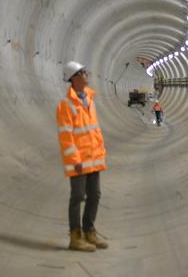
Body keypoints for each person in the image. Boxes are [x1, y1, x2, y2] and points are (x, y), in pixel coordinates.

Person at [57, 61, 109, 252]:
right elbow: (66, 135)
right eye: (83, 73)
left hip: (93, 158)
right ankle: (75, 236)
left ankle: (89, 231)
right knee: (78, 196)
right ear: (74, 78)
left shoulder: (90, 100)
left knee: (94, 195)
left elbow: (94, 131)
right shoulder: (66, 105)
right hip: (78, 161)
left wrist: (101, 151)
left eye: (86, 72)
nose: (87, 75)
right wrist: (75, 160)